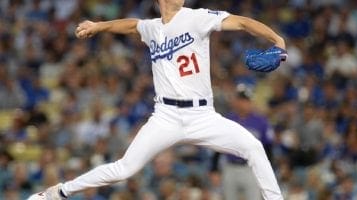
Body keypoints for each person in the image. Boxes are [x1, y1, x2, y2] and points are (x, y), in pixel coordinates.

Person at [28, 0, 286, 199]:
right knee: (124, 169)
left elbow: (241, 22)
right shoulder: (152, 28)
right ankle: (58, 192)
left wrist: (277, 39)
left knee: (253, 147)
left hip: (203, 116)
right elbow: (131, 25)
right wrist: (98, 26)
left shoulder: (197, 17)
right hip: (166, 117)